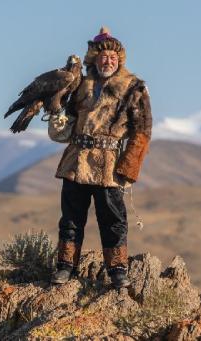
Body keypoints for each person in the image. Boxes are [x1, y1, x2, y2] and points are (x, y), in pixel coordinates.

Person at [47, 27, 152, 288]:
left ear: (120, 60)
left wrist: (130, 167)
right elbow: (69, 118)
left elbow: (142, 131)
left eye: (113, 58)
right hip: (76, 160)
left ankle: (117, 271)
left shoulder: (133, 88)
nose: (108, 61)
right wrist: (56, 112)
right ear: (94, 58)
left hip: (110, 165)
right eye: (103, 56)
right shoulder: (80, 85)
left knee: (113, 219)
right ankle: (65, 267)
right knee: (71, 218)